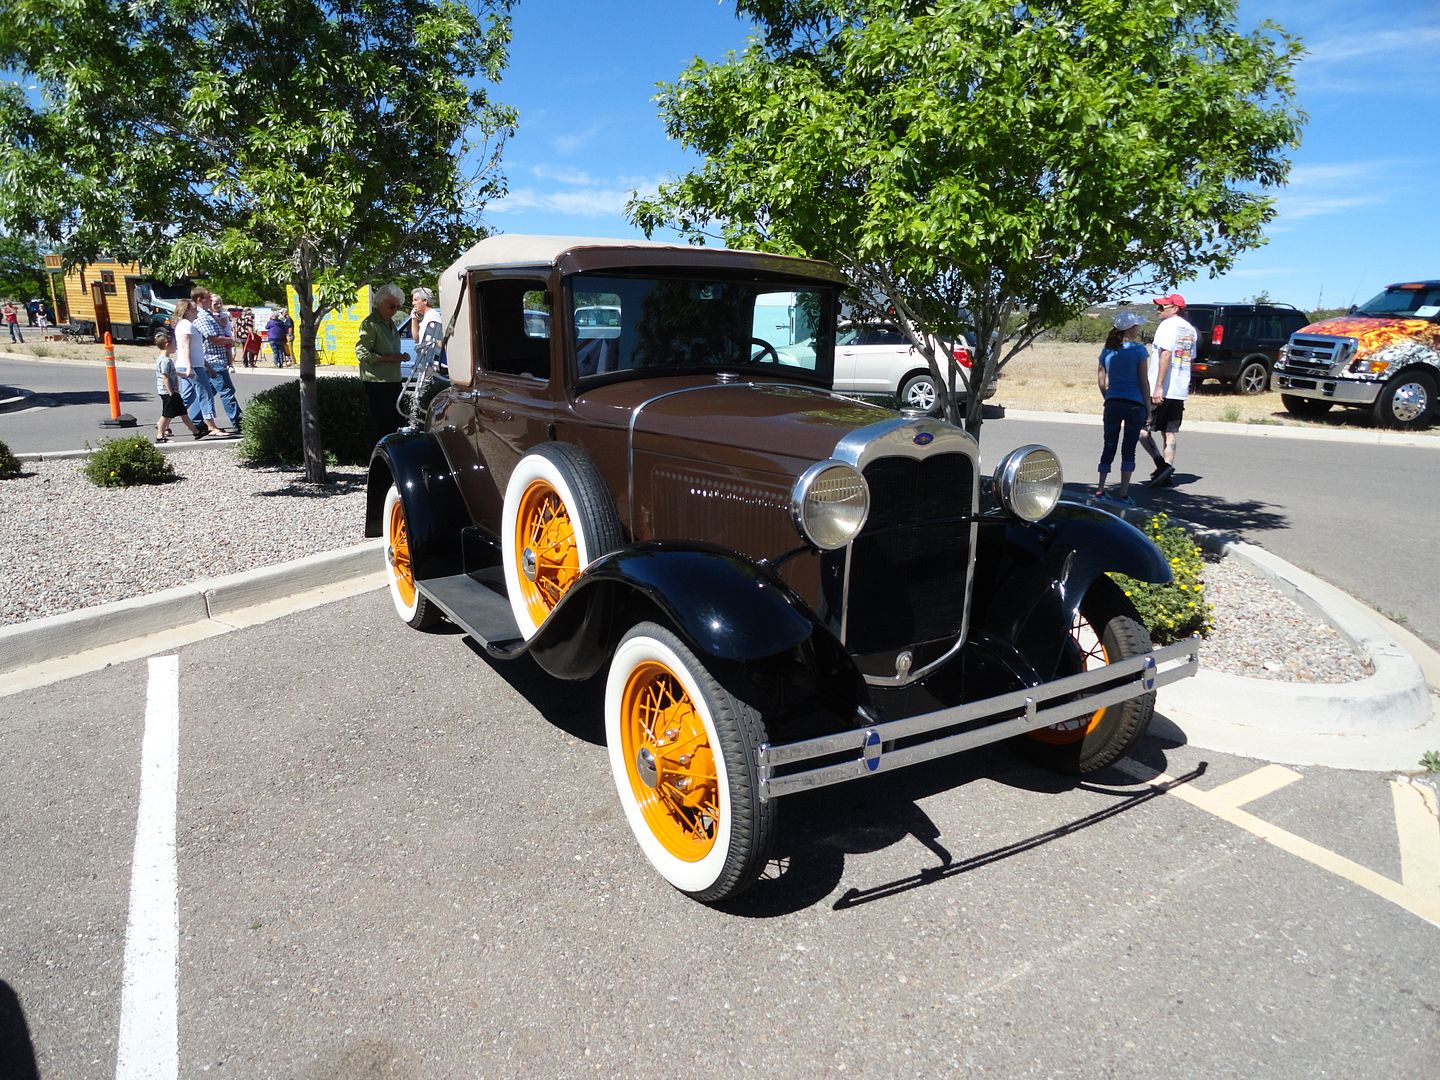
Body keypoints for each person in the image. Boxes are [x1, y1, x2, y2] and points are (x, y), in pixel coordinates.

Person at [1139, 291, 1197, 487]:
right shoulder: (1190, 330)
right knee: (1169, 432)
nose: (1158, 310)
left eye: (1161, 307)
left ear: (1174, 309)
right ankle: (1167, 473)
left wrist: (1158, 387)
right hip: (1178, 391)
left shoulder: (1167, 326)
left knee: (1142, 430)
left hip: (1161, 389)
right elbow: (1190, 359)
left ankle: (1161, 466)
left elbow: (1166, 354)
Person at [1094, 312, 1151, 505]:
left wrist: (1108, 397)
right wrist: (1148, 408)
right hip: (1135, 404)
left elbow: (1101, 380)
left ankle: (1100, 489)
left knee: (1109, 445)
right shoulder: (1139, 350)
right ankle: (1123, 494)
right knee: (1129, 449)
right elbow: (1143, 382)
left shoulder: (1107, 351)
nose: (1138, 329)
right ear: (1130, 329)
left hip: (1113, 402)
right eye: (1136, 326)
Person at [356, 283, 407, 446]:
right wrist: (391, 358)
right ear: (380, 303)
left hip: (393, 379)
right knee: (383, 424)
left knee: (396, 422)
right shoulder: (370, 323)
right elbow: (362, 353)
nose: (395, 310)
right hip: (377, 382)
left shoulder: (390, 322)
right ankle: (382, 454)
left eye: (398, 307)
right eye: (392, 306)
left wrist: (398, 357)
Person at [172, 298, 231, 439]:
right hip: (192, 367)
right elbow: (186, 347)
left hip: (192, 365)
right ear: (186, 311)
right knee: (206, 393)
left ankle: (163, 423)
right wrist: (190, 367)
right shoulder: (186, 325)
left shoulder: (185, 324)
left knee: (187, 398)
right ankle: (211, 426)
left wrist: (208, 367)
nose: (197, 311)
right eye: (194, 309)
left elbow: (196, 350)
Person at [195, 290, 243, 432]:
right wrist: (230, 340)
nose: (211, 302)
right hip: (213, 360)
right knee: (227, 391)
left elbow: (222, 327)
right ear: (200, 300)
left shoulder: (209, 314)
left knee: (208, 392)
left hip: (216, 359)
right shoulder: (202, 316)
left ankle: (195, 420)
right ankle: (239, 421)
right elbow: (213, 339)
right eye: (208, 299)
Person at [152, 329, 198, 443]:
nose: (176, 346)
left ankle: (196, 432)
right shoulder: (165, 361)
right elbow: (165, 378)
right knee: (166, 415)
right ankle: (160, 436)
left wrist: (185, 374)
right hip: (168, 392)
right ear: (167, 345)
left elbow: (172, 373)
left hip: (173, 392)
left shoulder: (166, 360)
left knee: (183, 413)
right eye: (174, 344)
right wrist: (171, 393)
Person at [410, 286, 444, 363]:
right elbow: (416, 338)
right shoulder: (426, 317)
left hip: (432, 363)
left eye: (415, 300)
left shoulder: (433, 316)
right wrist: (414, 319)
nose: (413, 303)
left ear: (425, 301)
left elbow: (438, 343)